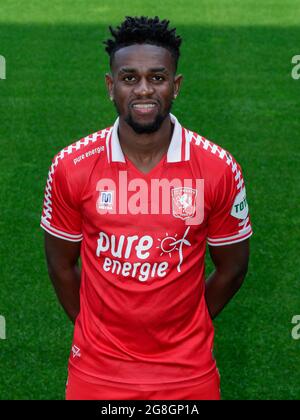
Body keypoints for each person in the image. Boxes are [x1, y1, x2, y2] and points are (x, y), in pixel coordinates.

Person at [40, 16, 252, 400]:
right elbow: (60, 264)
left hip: (188, 374)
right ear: (110, 86)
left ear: (176, 85)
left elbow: (233, 267)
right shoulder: (72, 166)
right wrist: (94, 329)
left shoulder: (218, 167)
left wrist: (189, 322)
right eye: (129, 78)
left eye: (157, 78)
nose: (143, 90)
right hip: (97, 371)